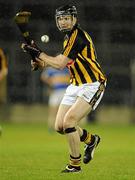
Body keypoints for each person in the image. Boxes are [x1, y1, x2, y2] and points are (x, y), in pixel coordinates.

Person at [22, 5, 107, 173]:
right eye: (60, 19)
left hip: (92, 84)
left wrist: (38, 53)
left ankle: (74, 165)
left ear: (74, 19)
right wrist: (40, 62)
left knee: (69, 122)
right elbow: (64, 62)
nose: (63, 22)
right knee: (60, 126)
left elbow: (60, 63)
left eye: (66, 18)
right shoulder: (67, 39)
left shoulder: (78, 36)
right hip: (75, 84)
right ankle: (91, 140)